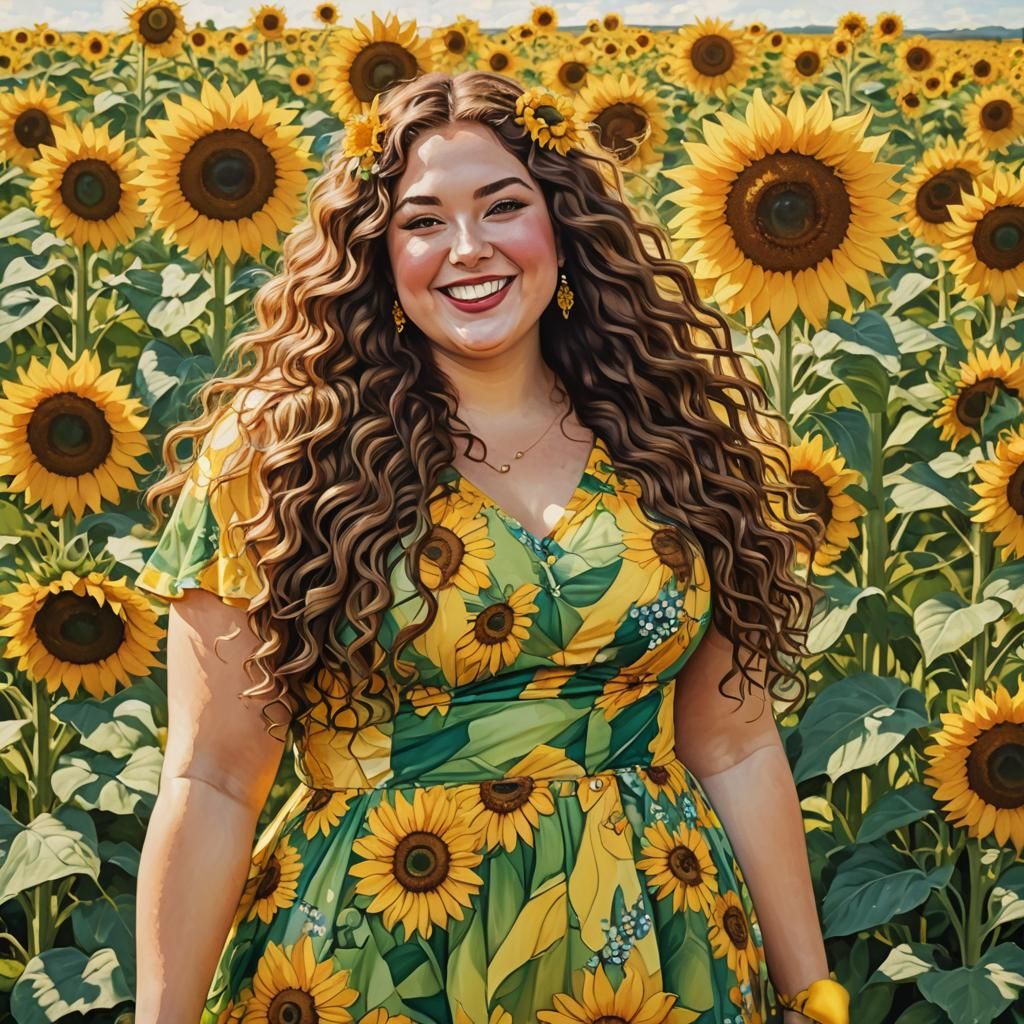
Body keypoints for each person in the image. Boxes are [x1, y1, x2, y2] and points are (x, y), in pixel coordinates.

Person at [133, 71, 849, 1024]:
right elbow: (214, 778)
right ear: (378, 257)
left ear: (563, 225)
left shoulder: (677, 443)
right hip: (378, 959)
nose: (468, 249)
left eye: (503, 207)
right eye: (423, 221)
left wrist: (811, 991)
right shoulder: (281, 461)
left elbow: (736, 742)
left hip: (662, 955)